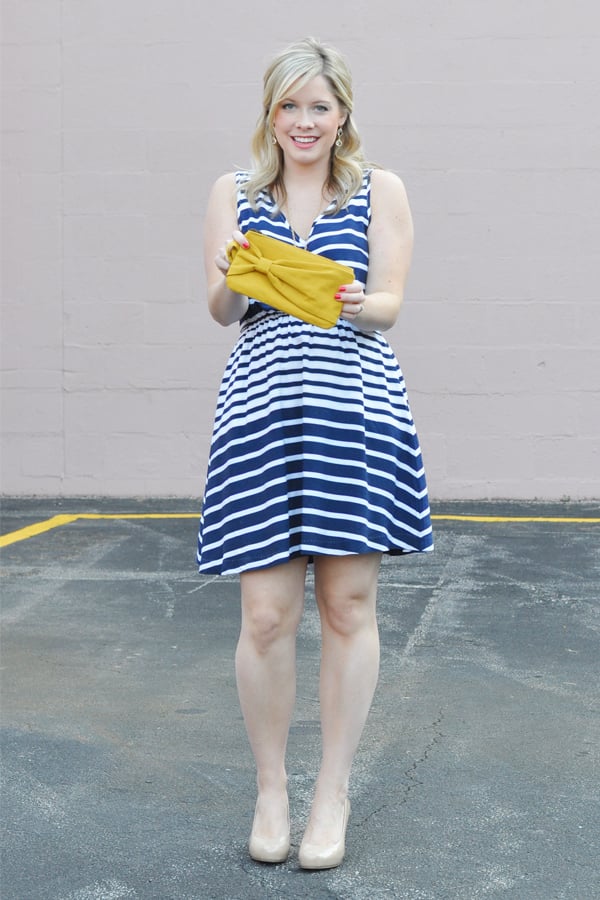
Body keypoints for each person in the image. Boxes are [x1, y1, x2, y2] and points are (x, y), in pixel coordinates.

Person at [197, 36, 433, 870]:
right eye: (290, 106)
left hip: (354, 409)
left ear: (342, 116)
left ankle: (332, 791)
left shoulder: (379, 190)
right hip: (260, 413)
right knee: (265, 615)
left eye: (319, 107)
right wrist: (234, 276)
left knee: (348, 606)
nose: (305, 121)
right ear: (271, 115)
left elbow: (391, 303)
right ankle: (272, 790)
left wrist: (359, 300)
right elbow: (222, 310)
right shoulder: (233, 191)